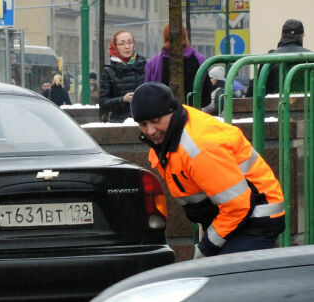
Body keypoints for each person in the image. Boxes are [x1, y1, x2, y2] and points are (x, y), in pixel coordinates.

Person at [131, 82, 285, 258]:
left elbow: (238, 206)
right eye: (143, 124)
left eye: (156, 121)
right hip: (235, 216)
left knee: (223, 277)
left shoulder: (199, 147)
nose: (150, 131)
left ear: (171, 112)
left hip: (256, 218)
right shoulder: (171, 137)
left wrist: (207, 246)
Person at [144, 23, 211, 105]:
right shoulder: (199, 60)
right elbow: (206, 98)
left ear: (165, 38)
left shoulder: (155, 63)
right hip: (192, 113)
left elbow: (148, 95)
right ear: (184, 36)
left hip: (165, 115)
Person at [99, 30, 146, 122]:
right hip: (118, 122)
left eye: (130, 42)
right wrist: (123, 99)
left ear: (134, 45)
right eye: (122, 43)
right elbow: (103, 103)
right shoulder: (108, 71)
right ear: (115, 47)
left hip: (143, 121)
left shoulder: (144, 66)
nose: (127, 47)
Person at [265, 19, 311, 94]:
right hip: (307, 104)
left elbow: (260, 89)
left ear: (282, 35)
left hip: (276, 104)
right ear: (301, 36)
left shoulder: (268, 59)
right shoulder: (310, 57)